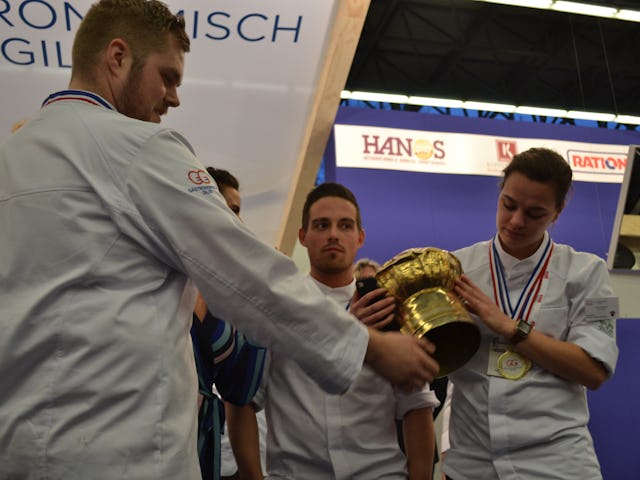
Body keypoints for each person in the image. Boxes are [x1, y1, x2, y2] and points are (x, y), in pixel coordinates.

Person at [0, 2, 439, 479]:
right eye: (168, 77)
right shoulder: (139, 147)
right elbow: (246, 274)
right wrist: (371, 347)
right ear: (118, 57)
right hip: (119, 451)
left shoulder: (12, 156)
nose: (174, 99)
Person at [236, 182, 440, 479]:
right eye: (322, 225)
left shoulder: (386, 309)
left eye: (345, 226)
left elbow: (416, 405)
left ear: (360, 237)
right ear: (303, 236)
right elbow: (242, 400)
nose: (333, 234)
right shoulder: (275, 307)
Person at [443, 147, 619, 480]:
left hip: (556, 464)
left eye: (535, 213)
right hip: (471, 463)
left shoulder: (586, 272)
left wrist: (511, 328)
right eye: (508, 204)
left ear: (557, 212)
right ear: (500, 193)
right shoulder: (457, 269)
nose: (516, 221)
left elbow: (593, 372)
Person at [190, 167, 266, 480]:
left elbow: (240, 390)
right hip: (149, 430)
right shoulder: (163, 277)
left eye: (239, 211)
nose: (240, 222)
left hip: (201, 443)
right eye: (232, 210)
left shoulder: (226, 296)